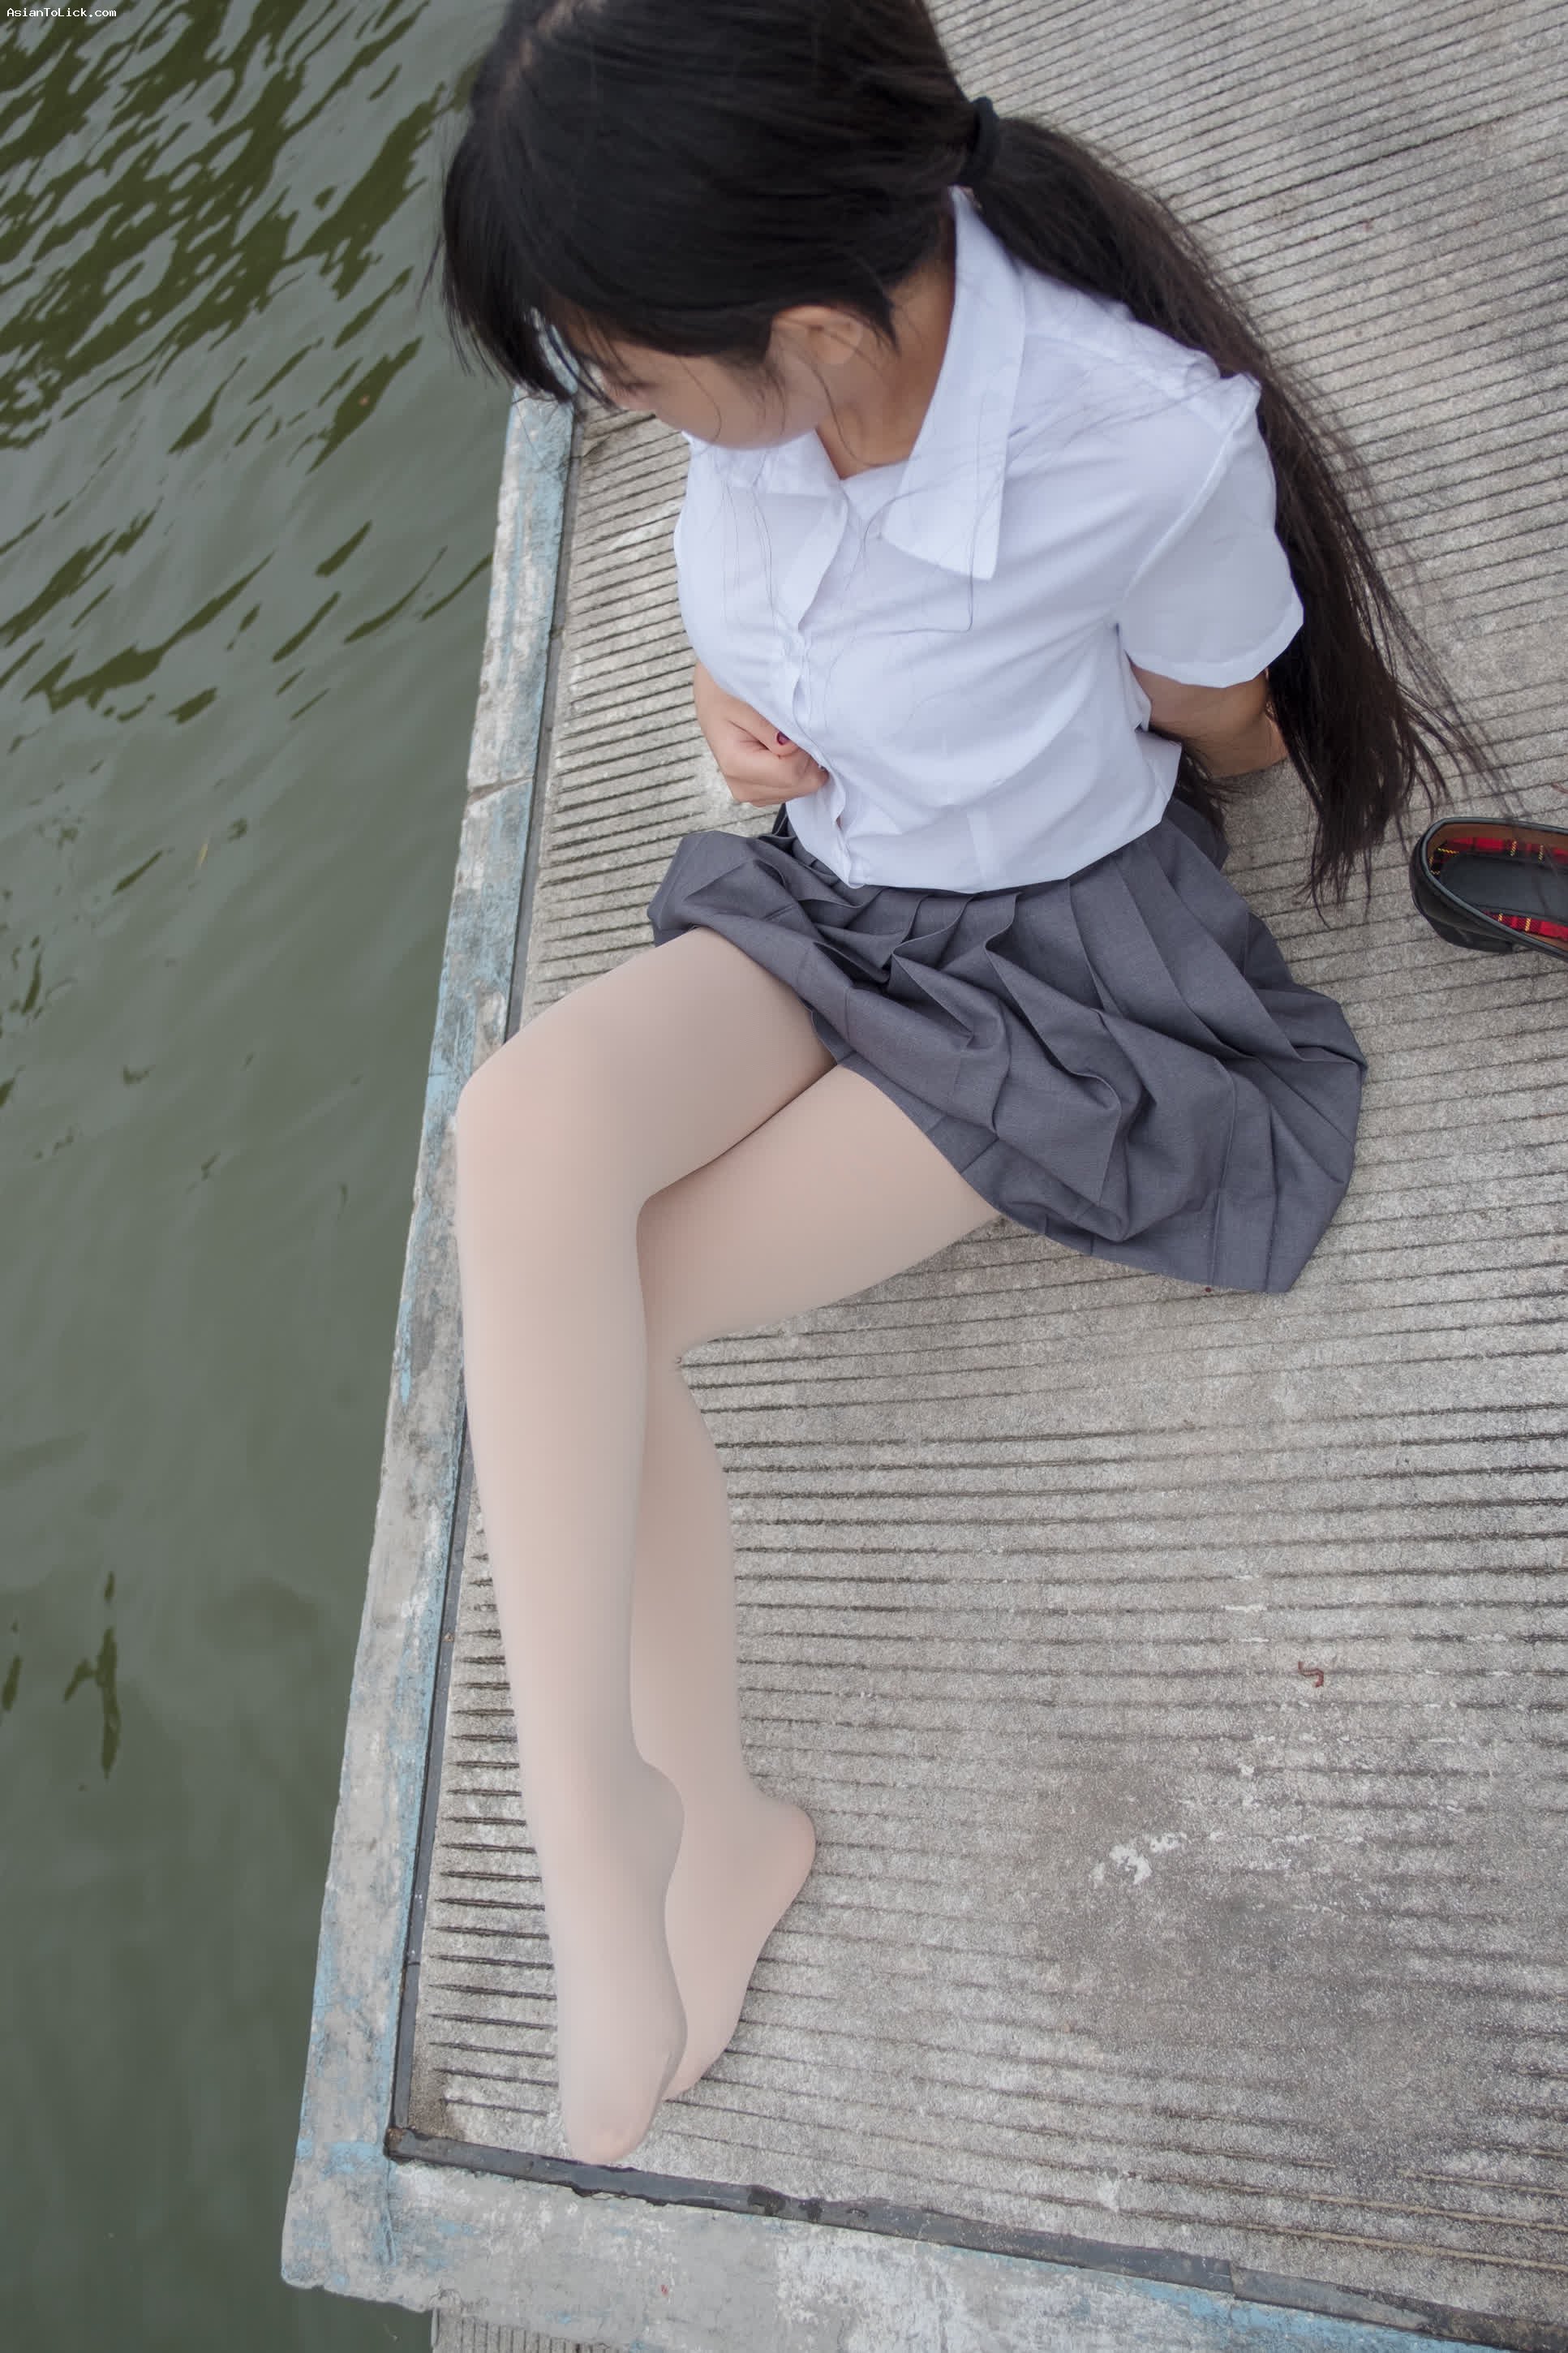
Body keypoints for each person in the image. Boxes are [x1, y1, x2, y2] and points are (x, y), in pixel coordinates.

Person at [427, 0, 1505, 2169]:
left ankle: (708, 1822)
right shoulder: (784, 374)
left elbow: (1230, 722)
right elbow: (753, 598)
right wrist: (734, 711)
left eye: (632, 377)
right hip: (832, 891)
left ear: (816, 332)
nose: (627, 413)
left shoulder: (1138, 442)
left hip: (1052, 965)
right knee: (517, 1134)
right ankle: (608, 1826)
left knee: (627, 1302)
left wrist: (1070, 717)